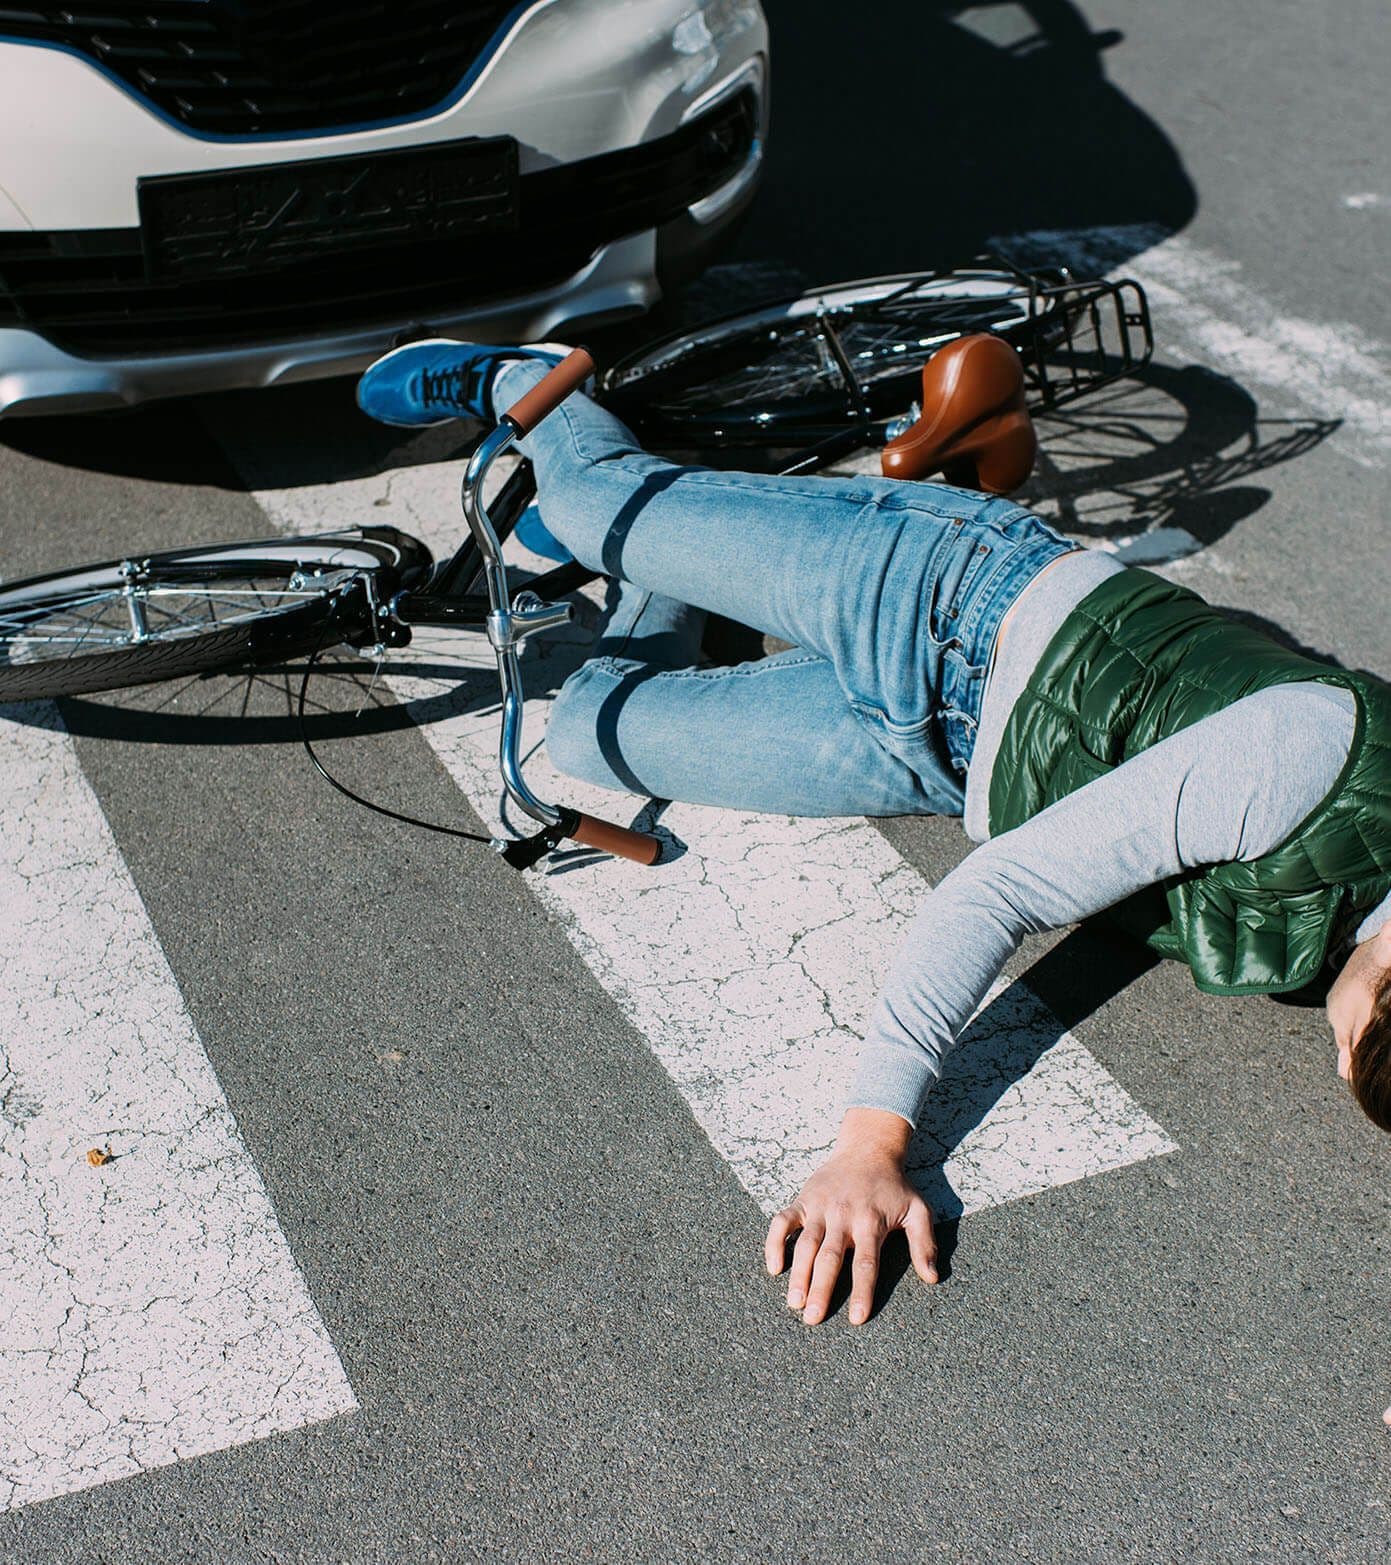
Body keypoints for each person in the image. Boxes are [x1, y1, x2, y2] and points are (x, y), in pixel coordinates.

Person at [357, 337, 1391, 1332]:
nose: (1334, 1050)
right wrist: (868, 1143)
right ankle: (527, 381)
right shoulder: (1307, 760)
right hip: (940, 595)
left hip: (936, 758)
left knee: (588, 729)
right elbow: (993, 894)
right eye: (1349, 1035)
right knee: (587, 500)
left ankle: (672, 541)